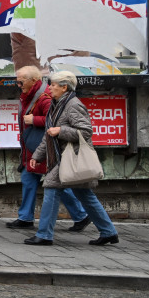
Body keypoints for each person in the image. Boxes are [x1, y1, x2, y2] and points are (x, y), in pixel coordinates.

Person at [25, 71, 121, 246]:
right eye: (51, 84)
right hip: (61, 157)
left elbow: (86, 131)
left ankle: (45, 235)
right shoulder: (56, 104)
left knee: (52, 190)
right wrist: (38, 155)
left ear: (64, 87)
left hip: (71, 158)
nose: (51, 87)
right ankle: (108, 232)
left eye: (54, 85)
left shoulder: (73, 105)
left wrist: (61, 131)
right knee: (86, 196)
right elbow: (49, 134)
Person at [9, 66, 90, 231]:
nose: (18, 84)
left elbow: (54, 119)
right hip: (34, 146)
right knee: (29, 178)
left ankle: (81, 215)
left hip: (44, 147)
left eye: (21, 81)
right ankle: (25, 217)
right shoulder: (29, 94)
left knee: (56, 184)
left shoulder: (44, 97)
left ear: (33, 80)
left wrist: (35, 120)